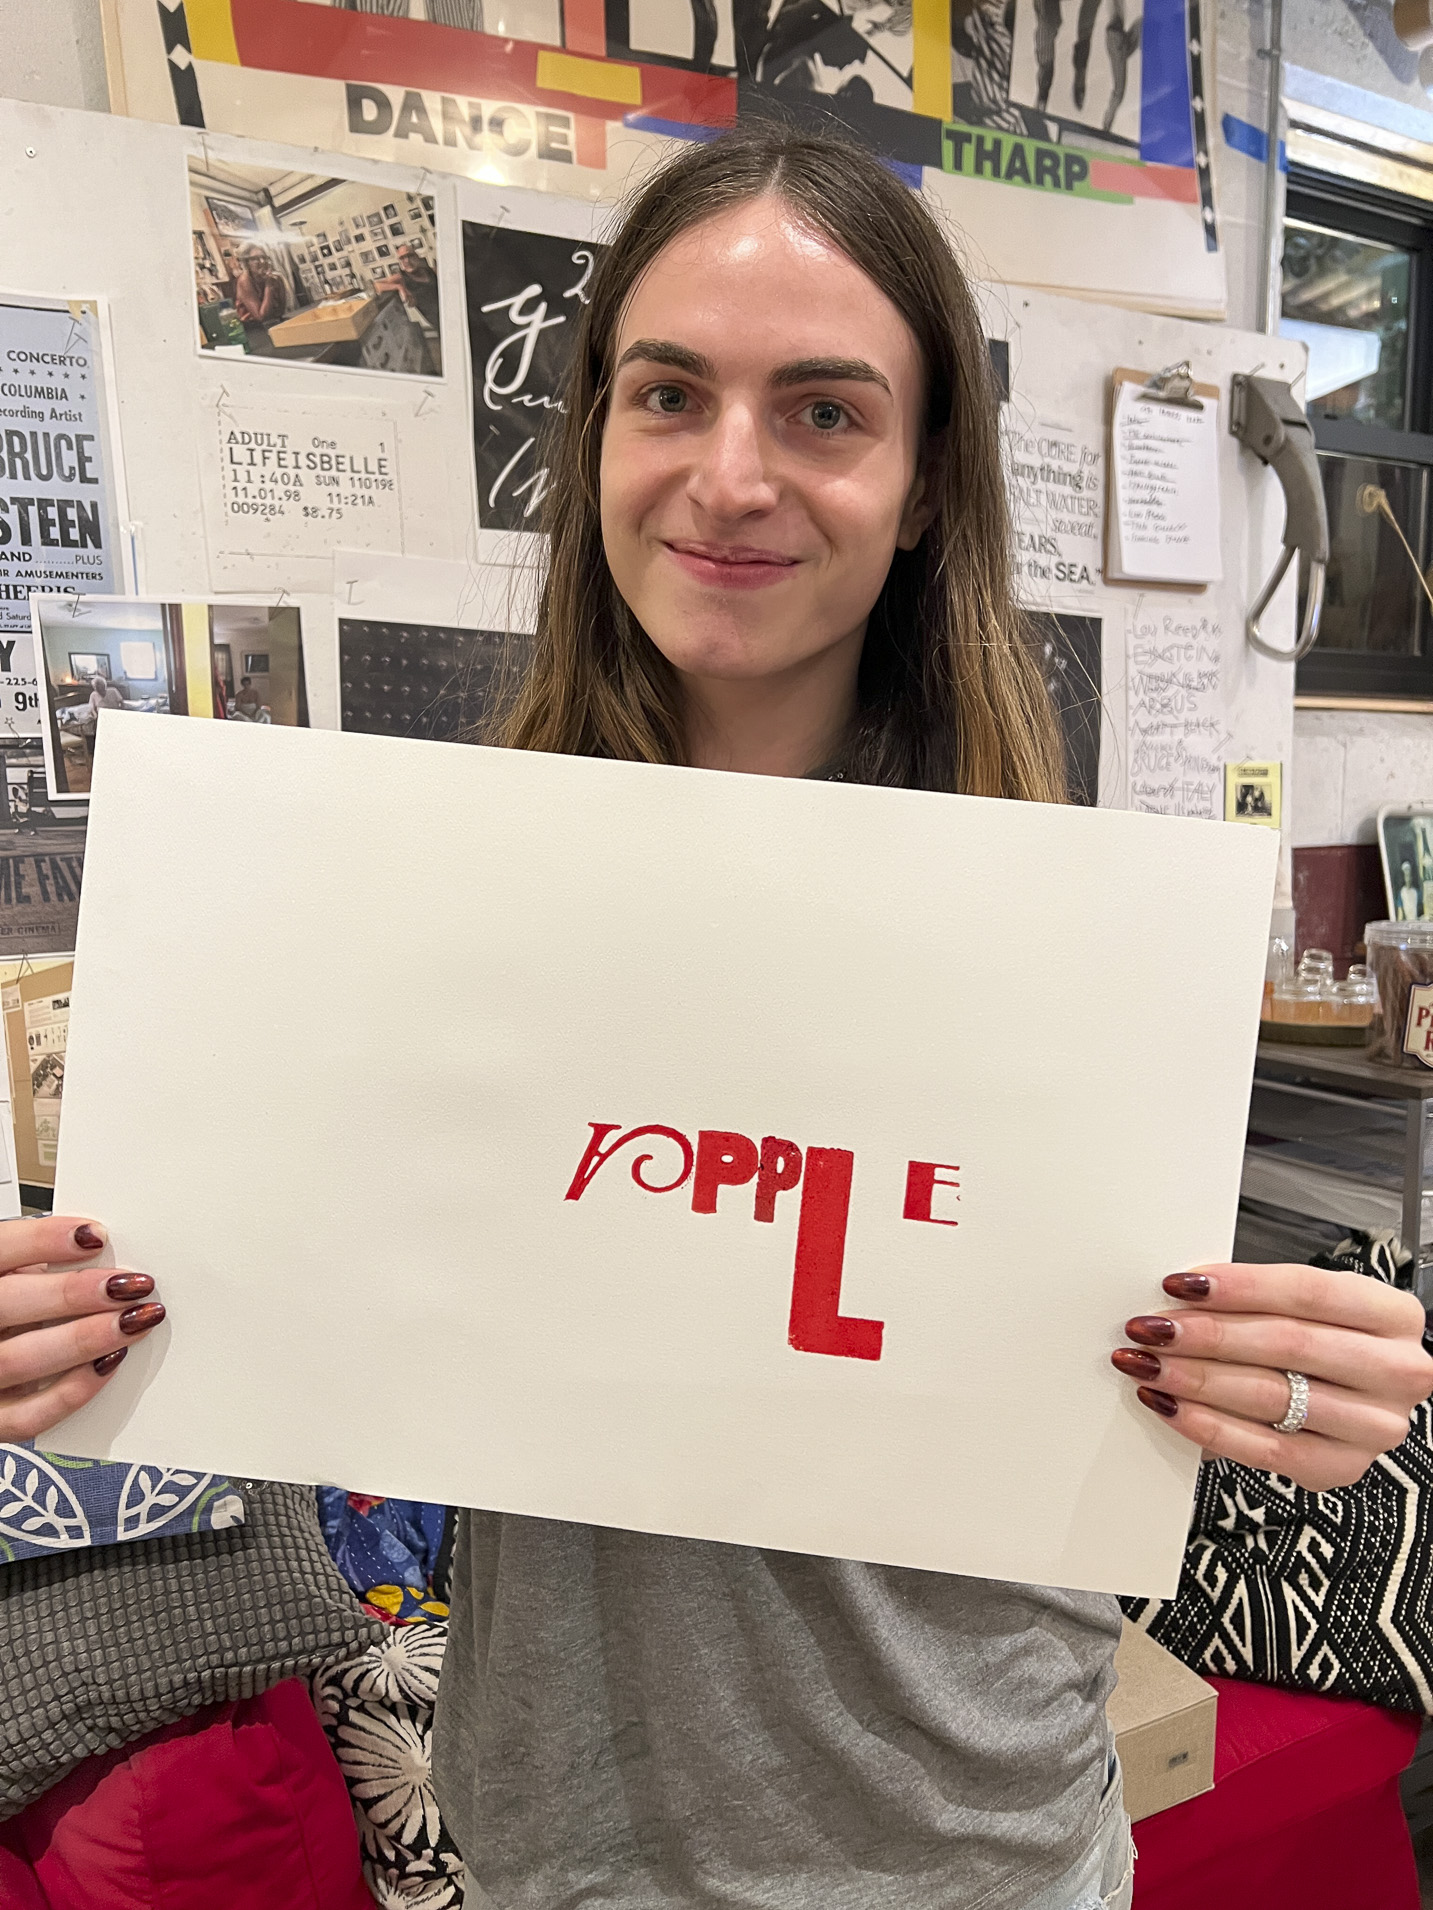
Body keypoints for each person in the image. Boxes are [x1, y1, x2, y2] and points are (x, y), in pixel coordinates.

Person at [3, 127, 1429, 1910]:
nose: (728, 474)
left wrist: (1304, 1377)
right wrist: (69, 1326)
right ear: (596, 431)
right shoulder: (419, 906)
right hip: (556, 1857)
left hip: (977, 1865)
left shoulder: (1071, 941)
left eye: (824, 411)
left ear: (923, 485)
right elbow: (287, 1311)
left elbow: (1136, 1374)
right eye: (668, 393)